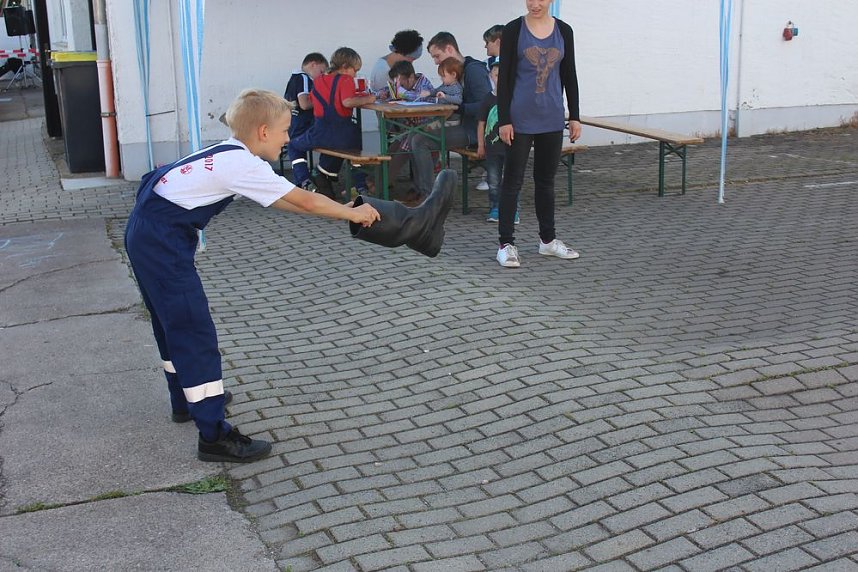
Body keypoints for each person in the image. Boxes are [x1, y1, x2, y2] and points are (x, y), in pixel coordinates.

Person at [125, 89, 455, 463]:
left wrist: (342, 209)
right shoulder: (242, 166)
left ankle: (187, 400)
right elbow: (304, 200)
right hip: (160, 244)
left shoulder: (231, 152)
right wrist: (352, 215)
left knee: (170, 324)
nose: (288, 138)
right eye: (285, 131)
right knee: (192, 330)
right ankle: (214, 435)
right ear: (263, 131)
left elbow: (286, 199)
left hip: (148, 233)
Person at [495, 0, 582, 268]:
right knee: (512, 182)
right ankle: (506, 244)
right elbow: (505, 78)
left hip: (552, 118)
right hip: (519, 119)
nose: (535, 4)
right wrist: (504, 119)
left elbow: (569, 74)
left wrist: (574, 116)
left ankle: (547, 241)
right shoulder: (513, 30)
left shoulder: (564, 31)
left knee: (546, 182)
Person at [408, 32, 492, 200]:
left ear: (449, 48)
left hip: (475, 130)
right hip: (463, 125)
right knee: (414, 134)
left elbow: (486, 106)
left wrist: (458, 108)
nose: (436, 61)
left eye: (437, 56)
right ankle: (422, 190)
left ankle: (430, 199)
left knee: (420, 140)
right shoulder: (458, 70)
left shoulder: (473, 70)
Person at [287, 47, 376, 198]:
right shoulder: (346, 80)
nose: (355, 74)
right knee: (355, 150)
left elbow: (313, 100)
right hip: (345, 135)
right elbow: (347, 102)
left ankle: (305, 179)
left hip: (320, 132)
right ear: (345, 67)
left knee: (293, 145)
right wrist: (369, 98)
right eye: (355, 70)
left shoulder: (319, 80)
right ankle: (359, 186)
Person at [476, 57, 518, 224]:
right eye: (496, 74)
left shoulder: (516, 98)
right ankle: (494, 208)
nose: (499, 78)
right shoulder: (488, 99)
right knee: (493, 181)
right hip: (492, 150)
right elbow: (481, 123)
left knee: (512, 180)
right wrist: (480, 144)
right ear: (490, 76)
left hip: (512, 148)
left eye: (504, 74)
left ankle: (513, 211)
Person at [283, 52, 328, 176]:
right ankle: (314, 176)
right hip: (303, 124)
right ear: (313, 64)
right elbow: (304, 104)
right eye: (321, 71)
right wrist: (324, 101)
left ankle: (303, 180)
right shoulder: (304, 78)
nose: (322, 76)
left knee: (296, 151)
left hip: (292, 124)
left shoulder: (294, 78)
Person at [476, 24, 505, 193]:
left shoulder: (510, 64)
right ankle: (490, 176)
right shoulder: (487, 65)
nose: (485, 46)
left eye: (488, 42)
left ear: (498, 42)